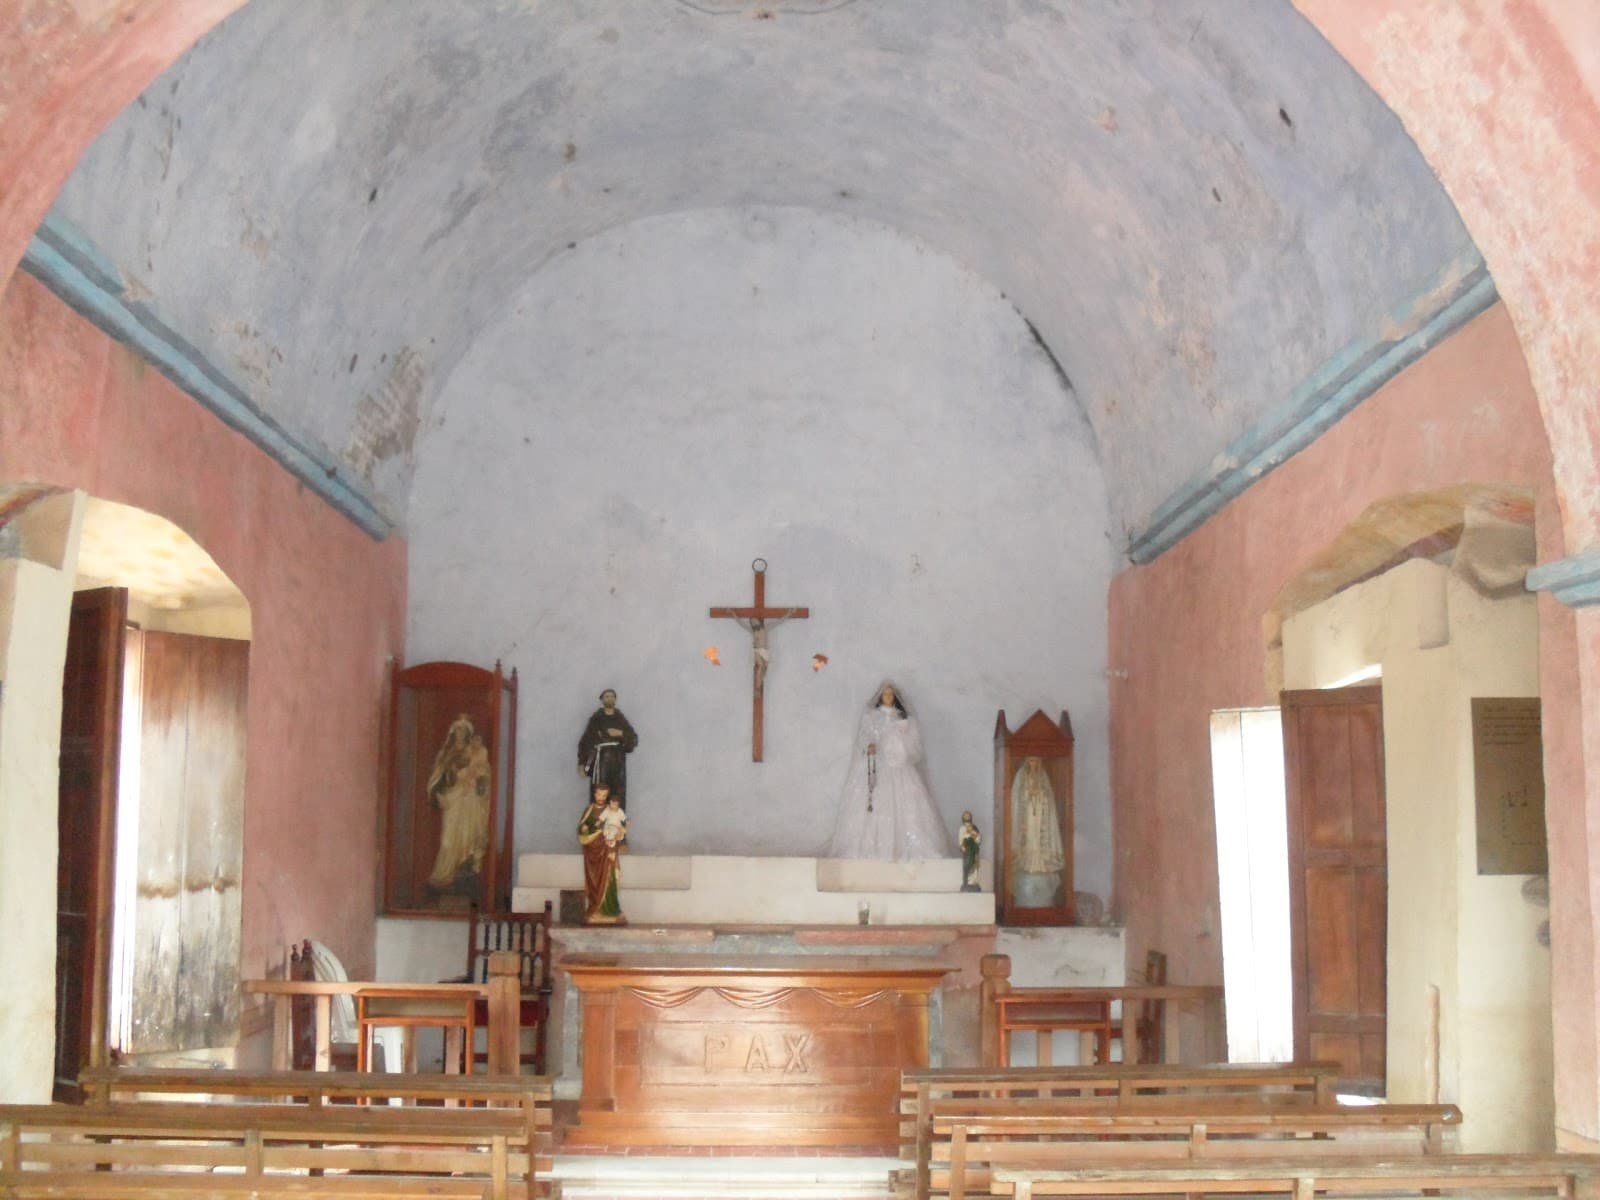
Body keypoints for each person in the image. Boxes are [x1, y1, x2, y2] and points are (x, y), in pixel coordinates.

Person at [827, 682, 954, 860]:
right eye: (885, 694)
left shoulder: (904, 720)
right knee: (872, 806)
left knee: (908, 806)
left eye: (890, 694)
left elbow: (915, 749)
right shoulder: (871, 717)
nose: (887, 697)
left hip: (900, 768)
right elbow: (864, 737)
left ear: (895, 697)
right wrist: (869, 745)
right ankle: (871, 849)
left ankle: (906, 849)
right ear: (880, 697)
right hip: (877, 767)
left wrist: (902, 745)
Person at [426, 713, 491, 889]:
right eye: (458, 728)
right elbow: (436, 777)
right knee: (448, 840)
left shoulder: (474, 751)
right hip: (451, 799)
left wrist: (478, 781)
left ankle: (462, 873)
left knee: (467, 838)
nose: (460, 732)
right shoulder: (446, 753)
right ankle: (443, 877)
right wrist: (438, 794)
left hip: (468, 799)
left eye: (464, 729)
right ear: (453, 731)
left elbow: (483, 774)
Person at [577, 688, 639, 807]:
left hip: (618, 761)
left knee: (618, 792)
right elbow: (585, 741)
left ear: (615, 699)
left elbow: (633, 738)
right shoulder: (596, 719)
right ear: (602, 700)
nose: (609, 698)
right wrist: (581, 763)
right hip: (601, 761)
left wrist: (621, 733)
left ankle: (616, 822)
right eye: (606, 696)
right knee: (600, 791)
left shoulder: (621, 719)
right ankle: (597, 823)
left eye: (612, 696)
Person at [577, 784, 627, 924]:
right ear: (594, 794)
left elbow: (619, 827)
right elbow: (582, 830)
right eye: (599, 794)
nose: (601, 798)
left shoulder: (611, 810)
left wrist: (617, 835)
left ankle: (610, 910)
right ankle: (595, 908)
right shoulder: (589, 810)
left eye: (604, 795)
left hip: (608, 851)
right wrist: (586, 829)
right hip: (593, 855)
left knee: (609, 881)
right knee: (595, 882)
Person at [959, 811, 982, 892]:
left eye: (968, 816)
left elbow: (978, 838)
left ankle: (974, 882)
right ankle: (968, 882)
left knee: (974, 866)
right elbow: (961, 839)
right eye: (965, 816)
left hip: (974, 850)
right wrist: (963, 846)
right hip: (968, 851)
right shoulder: (962, 828)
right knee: (967, 866)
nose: (967, 817)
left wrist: (975, 837)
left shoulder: (974, 827)